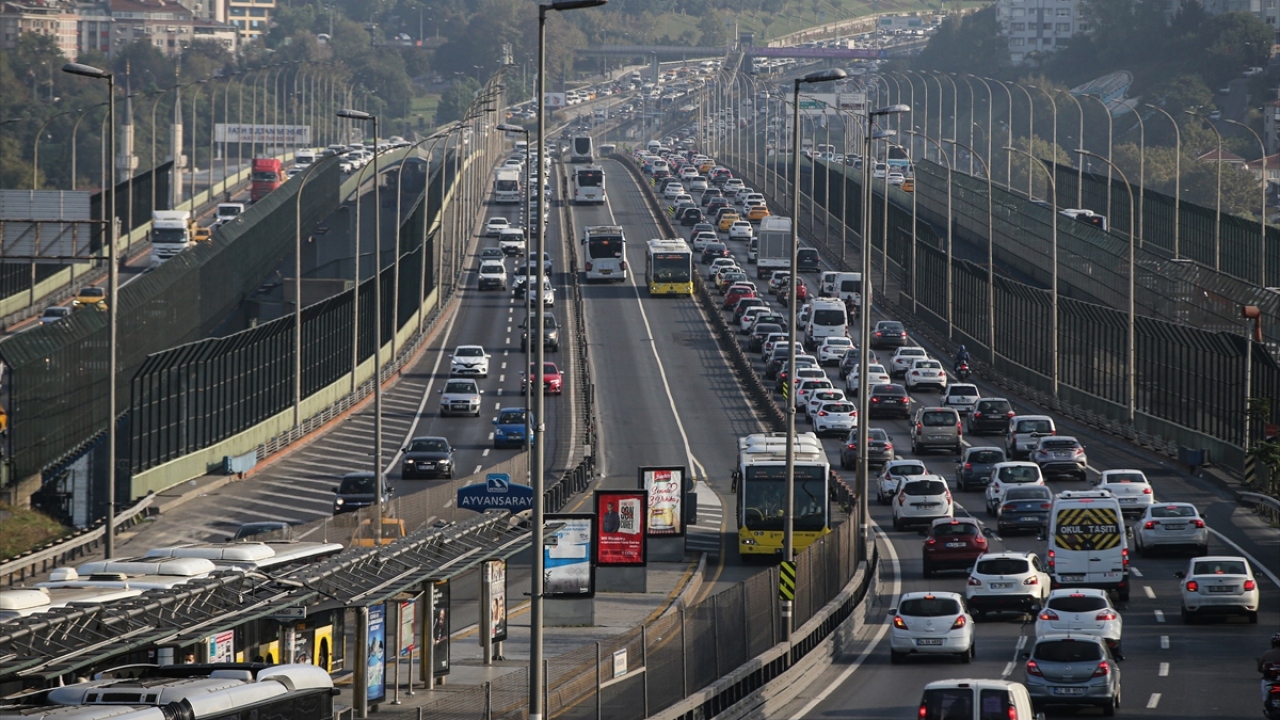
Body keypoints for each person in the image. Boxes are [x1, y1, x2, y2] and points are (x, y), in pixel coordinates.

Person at [1260, 633, 1280, 702]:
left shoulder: (1267, 653)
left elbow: (1259, 668)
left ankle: (1266, 700)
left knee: (1264, 682)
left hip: (1270, 680)